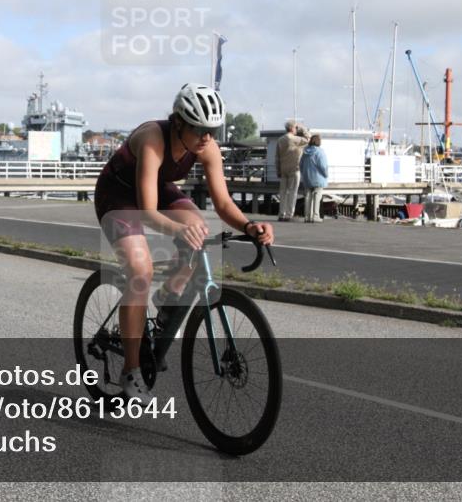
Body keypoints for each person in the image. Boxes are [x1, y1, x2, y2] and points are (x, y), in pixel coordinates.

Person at [94, 83, 274, 402]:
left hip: (156, 187)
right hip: (117, 194)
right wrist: (175, 233)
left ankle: (168, 295)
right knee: (140, 272)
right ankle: (131, 371)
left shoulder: (207, 147)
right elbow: (147, 212)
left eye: (212, 129)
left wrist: (249, 226)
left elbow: (223, 204)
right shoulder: (152, 138)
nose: (206, 137)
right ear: (178, 121)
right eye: (199, 129)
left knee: (199, 228)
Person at [275, 120, 309, 221]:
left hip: (283, 169)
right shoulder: (295, 139)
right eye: (296, 128)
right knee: (293, 192)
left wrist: (278, 170)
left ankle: (281, 214)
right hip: (294, 168)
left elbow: (277, 157)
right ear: (292, 128)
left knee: (283, 192)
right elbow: (308, 139)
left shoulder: (280, 140)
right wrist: (303, 128)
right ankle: (289, 215)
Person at [300, 134, 328, 223]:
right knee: (317, 196)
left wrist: (303, 174)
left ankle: (307, 216)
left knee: (308, 196)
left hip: (307, 177)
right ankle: (315, 216)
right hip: (318, 178)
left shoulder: (305, 152)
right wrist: (326, 174)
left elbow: (301, 165)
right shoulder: (320, 152)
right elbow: (323, 166)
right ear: (319, 142)